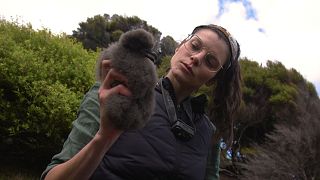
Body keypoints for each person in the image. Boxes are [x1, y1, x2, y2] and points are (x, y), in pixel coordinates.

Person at [41, 24, 241, 180]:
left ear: (213, 78)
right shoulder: (117, 90)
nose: (196, 58)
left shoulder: (209, 132)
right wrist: (104, 137)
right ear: (180, 46)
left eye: (210, 61)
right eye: (195, 46)